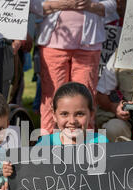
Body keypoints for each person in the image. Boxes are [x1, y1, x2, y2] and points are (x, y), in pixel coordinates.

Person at [3, 82, 109, 190]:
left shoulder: (100, 143)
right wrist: (12, 173)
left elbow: (112, 182)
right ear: (54, 115)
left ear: (91, 114)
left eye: (80, 114)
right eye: (64, 114)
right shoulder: (45, 144)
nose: (72, 121)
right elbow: (32, 182)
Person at [33, 0, 117, 134]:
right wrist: (62, 4)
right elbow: (33, 5)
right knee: (52, 97)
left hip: (89, 45)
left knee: (86, 97)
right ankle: (48, 145)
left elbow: (112, 5)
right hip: (52, 45)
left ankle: (86, 145)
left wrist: (91, 6)